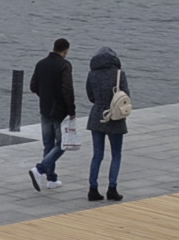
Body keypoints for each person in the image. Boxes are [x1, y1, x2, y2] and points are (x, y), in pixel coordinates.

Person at [28, 37, 76, 192]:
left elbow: (33, 86)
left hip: (44, 109)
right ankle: (40, 169)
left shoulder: (41, 64)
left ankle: (51, 178)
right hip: (60, 111)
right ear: (65, 51)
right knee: (62, 144)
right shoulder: (64, 65)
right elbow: (67, 90)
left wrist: (44, 96)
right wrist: (72, 111)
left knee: (48, 144)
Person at [85, 46, 130, 201]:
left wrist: (101, 103)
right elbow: (126, 96)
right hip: (115, 118)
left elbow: (90, 97)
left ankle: (93, 189)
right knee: (116, 154)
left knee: (97, 155)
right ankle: (112, 188)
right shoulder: (119, 74)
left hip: (97, 116)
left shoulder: (92, 74)